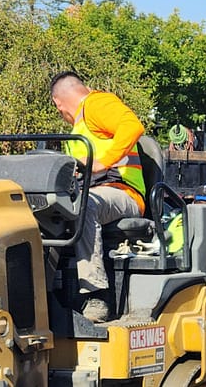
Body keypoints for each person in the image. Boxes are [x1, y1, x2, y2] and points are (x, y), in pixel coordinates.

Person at [50, 71, 145, 322]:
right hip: (95, 193)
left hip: (123, 193)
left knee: (84, 205)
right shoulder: (77, 129)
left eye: (58, 110)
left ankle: (97, 295)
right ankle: (45, 290)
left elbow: (132, 126)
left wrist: (102, 162)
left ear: (58, 103)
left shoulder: (96, 104)